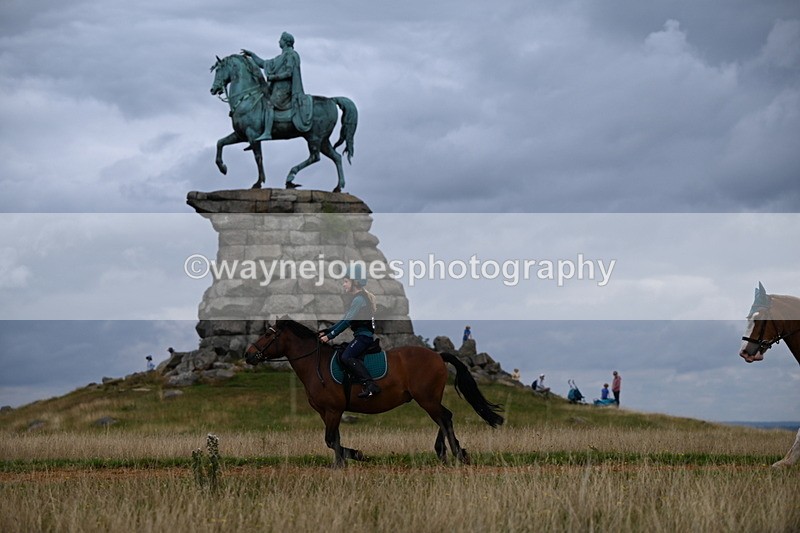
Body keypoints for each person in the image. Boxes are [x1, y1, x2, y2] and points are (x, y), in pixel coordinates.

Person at [319, 267, 381, 398]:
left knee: (346, 357)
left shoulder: (359, 300)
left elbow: (347, 322)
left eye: (346, 281)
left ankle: (370, 385)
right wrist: (327, 331)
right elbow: (343, 320)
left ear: (355, 282)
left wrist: (329, 337)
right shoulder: (357, 299)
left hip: (364, 337)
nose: (343, 284)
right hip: (361, 336)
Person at [241, 32, 310, 141]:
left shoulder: (291, 55)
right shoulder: (280, 57)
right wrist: (252, 55)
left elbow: (289, 73)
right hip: (276, 88)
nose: (279, 41)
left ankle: (268, 132)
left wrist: (274, 77)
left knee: (269, 104)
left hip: (285, 89)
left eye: (280, 39)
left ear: (286, 42)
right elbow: (263, 64)